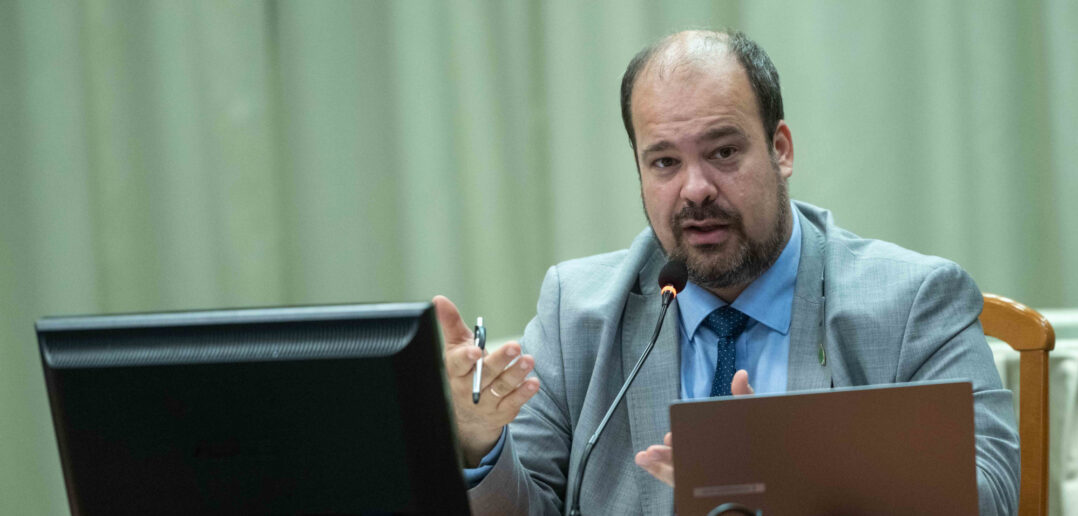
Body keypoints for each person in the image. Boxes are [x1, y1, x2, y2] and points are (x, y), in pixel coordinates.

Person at [434, 30, 1019, 515]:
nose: (695, 189)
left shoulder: (913, 301)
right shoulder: (576, 311)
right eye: (665, 161)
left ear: (780, 149)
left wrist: (792, 474)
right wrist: (478, 440)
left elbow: (991, 494)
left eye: (723, 152)